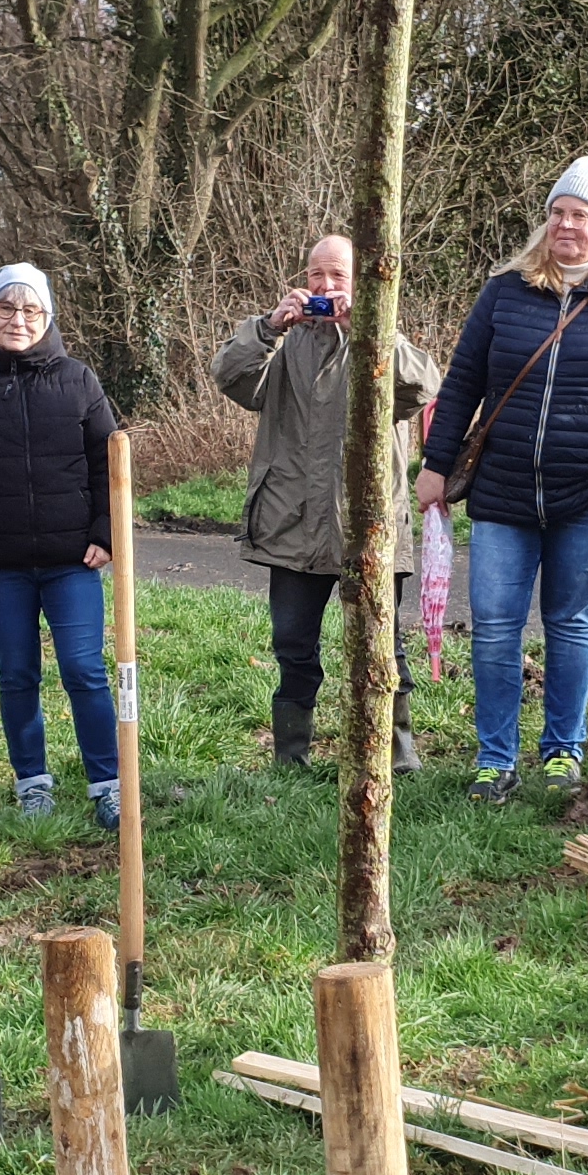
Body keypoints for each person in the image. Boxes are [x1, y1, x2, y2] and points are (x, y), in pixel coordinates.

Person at [418, 156, 588, 799]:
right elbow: (461, 387)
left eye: (581, 216)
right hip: (504, 491)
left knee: (569, 623)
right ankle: (494, 759)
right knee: (495, 625)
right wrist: (436, 465)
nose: (567, 225)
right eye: (558, 213)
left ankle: (563, 750)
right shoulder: (505, 292)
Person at [212, 232, 440, 775]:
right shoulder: (283, 344)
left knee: (384, 647)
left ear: (360, 283)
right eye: (317, 275)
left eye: (338, 276)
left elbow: (425, 386)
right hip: (291, 522)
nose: (326, 286)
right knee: (293, 646)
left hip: (369, 526)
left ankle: (396, 756)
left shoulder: (382, 341)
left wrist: (369, 327)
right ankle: (292, 760)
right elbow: (230, 377)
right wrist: (268, 327)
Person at [0, 262, 120, 829]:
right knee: (16, 673)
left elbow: (106, 464)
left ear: (49, 317)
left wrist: (106, 532)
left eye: (31, 310)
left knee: (84, 670)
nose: (18, 320)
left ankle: (108, 784)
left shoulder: (79, 380)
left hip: (72, 561)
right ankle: (32, 782)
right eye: (6, 308)